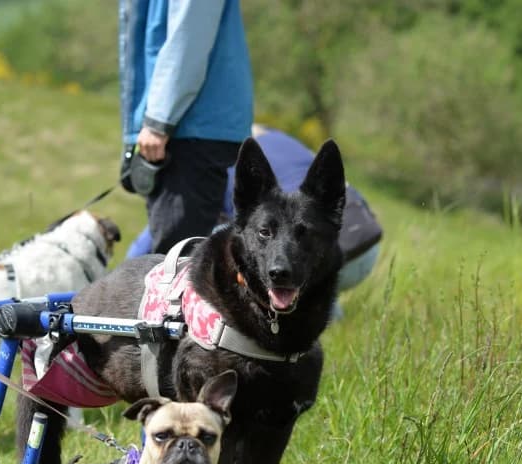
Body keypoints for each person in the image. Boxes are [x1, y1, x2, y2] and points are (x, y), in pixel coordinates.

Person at [126, 125, 384, 319]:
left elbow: (169, 224)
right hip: (365, 247)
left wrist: (129, 271)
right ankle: (326, 314)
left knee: (226, 237)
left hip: (325, 256)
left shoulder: (219, 162)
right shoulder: (283, 140)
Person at [118, 0, 253, 254]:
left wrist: (158, 121)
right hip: (184, 124)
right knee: (175, 257)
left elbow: (189, 39)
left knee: (175, 260)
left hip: (189, 125)